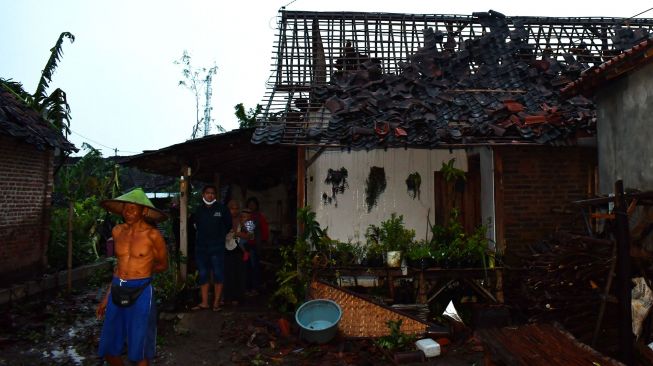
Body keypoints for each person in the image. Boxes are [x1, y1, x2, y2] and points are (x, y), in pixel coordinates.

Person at [96, 188, 169, 366]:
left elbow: (163, 265)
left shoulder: (153, 236)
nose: (128, 213)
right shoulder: (117, 231)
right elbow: (119, 266)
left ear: (143, 211)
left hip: (142, 291)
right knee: (108, 347)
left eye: (133, 209)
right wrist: (106, 297)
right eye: (125, 209)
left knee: (139, 347)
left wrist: (142, 272)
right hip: (117, 288)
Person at [191, 185, 232, 311]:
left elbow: (228, 225)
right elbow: (194, 226)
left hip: (217, 247)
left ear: (215, 195)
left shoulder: (222, 209)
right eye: (208, 193)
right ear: (203, 194)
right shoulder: (198, 210)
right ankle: (204, 303)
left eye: (213, 193)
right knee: (203, 274)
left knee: (218, 274)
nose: (210, 195)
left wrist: (219, 238)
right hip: (201, 248)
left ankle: (216, 303)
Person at [223, 200, 247, 305]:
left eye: (237, 208)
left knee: (239, 273)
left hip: (239, 249)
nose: (235, 210)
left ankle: (237, 297)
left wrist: (237, 233)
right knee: (227, 273)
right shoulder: (223, 220)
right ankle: (227, 296)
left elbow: (251, 235)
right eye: (232, 208)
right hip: (225, 249)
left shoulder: (244, 219)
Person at [244, 197, 269, 295]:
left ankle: (254, 288)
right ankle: (247, 288)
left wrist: (264, 240)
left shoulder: (259, 217)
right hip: (245, 246)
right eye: (250, 204)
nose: (251, 206)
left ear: (256, 206)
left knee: (255, 267)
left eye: (253, 204)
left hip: (255, 246)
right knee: (247, 267)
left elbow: (264, 230)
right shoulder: (245, 216)